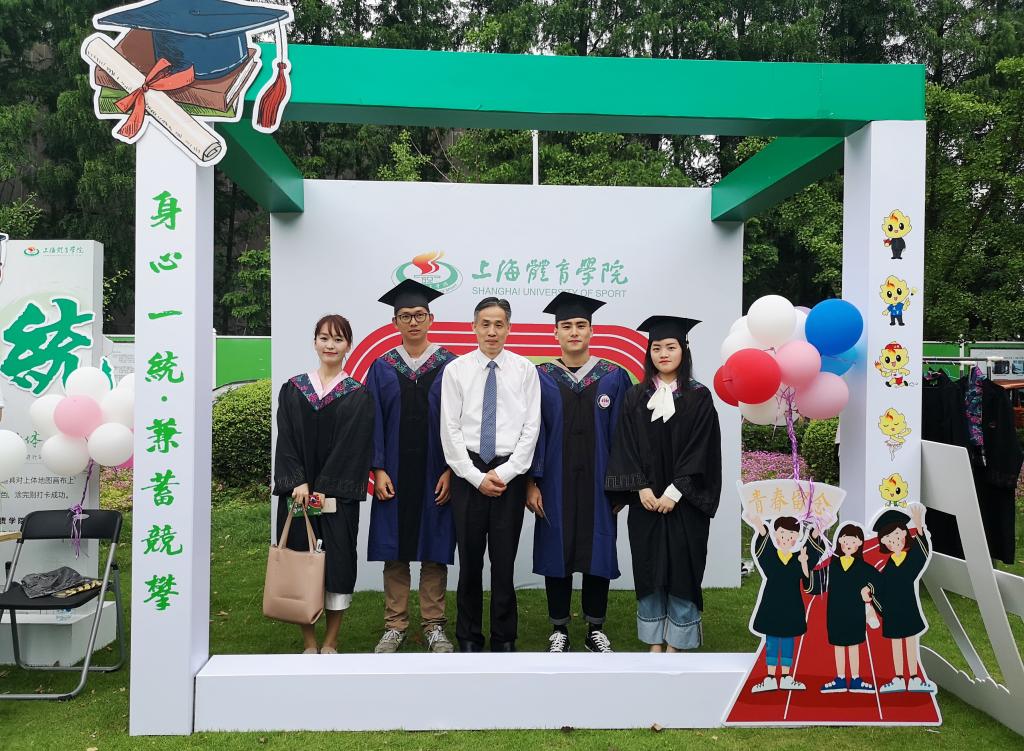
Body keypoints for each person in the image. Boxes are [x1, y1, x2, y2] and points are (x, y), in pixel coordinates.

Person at [605, 316, 722, 653]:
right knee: (649, 568)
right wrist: (641, 488)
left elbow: (702, 449)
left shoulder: (698, 396)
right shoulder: (635, 396)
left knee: (683, 569)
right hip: (646, 502)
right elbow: (625, 445)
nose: (663, 354)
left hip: (685, 503)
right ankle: (654, 641)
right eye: (656, 348)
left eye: (670, 347)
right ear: (649, 353)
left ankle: (678, 641)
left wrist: (674, 491)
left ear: (684, 350)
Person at [527, 292, 631, 653]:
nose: (574, 332)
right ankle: (559, 628)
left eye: (581, 325)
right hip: (553, 483)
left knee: (598, 550)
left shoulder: (614, 377)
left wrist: (621, 487)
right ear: (555, 332)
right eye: (567, 326)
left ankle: (595, 628)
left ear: (591, 331)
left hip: (600, 483)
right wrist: (531, 483)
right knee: (556, 551)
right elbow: (531, 434)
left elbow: (624, 436)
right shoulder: (540, 377)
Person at [439, 297, 541, 652]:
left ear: (509, 328)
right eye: (485, 324)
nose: (492, 331)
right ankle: (468, 636)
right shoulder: (456, 371)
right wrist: (474, 476)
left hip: (509, 475)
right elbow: (450, 429)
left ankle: (504, 637)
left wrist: (507, 472)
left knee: (503, 562)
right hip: (468, 474)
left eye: (499, 324)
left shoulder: (525, 371)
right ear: (474, 327)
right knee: (469, 562)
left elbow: (531, 428)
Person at [272, 314, 375, 655]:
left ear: (349, 345)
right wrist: (297, 481)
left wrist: (326, 486)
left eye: (338, 339)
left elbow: (353, 447)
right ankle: (309, 641)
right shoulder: (294, 389)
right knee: (301, 561)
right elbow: (286, 439)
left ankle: (331, 640)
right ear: (314, 342)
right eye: (324, 338)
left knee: (337, 565)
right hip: (299, 495)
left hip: (336, 497)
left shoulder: (358, 395)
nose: (331, 345)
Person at [365, 280, 458, 654]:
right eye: (405, 316)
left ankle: (434, 625)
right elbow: (373, 421)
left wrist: (452, 470)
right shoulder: (382, 367)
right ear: (395, 322)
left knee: (435, 550)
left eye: (419, 315)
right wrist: (378, 469)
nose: (413, 322)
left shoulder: (451, 365)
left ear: (431, 319)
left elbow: (460, 421)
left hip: (438, 470)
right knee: (395, 550)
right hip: (395, 473)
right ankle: (395, 625)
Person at [744, 514, 824, 692]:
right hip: (772, 602)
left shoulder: (799, 556)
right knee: (772, 640)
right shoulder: (772, 556)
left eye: (791, 535)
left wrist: (816, 533)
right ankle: (770, 677)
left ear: (797, 537)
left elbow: (807, 570)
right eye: (782, 534)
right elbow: (764, 546)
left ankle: (787, 677)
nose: (786, 538)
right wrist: (759, 524)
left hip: (791, 604)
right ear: (776, 534)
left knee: (788, 639)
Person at [873, 504, 937, 694]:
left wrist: (919, 525)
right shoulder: (889, 565)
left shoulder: (909, 559)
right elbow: (881, 585)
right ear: (884, 542)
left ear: (904, 535)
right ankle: (899, 678)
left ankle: (914, 678)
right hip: (893, 609)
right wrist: (870, 592)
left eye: (897, 536)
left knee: (910, 641)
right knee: (895, 643)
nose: (894, 542)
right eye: (889, 539)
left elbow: (921, 553)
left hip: (908, 606)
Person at [820, 523, 878, 693]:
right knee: (838, 645)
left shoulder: (862, 567)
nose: (848, 545)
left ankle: (855, 679)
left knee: (854, 645)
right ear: (840, 541)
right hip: (836, 612)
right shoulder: (832, 566)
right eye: (845, 541)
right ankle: (839, 678)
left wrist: (868, 589)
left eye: (853, 541)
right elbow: (818, 581)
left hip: (855, 612)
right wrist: (804, 567)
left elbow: (879, 581)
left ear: (859, 543)